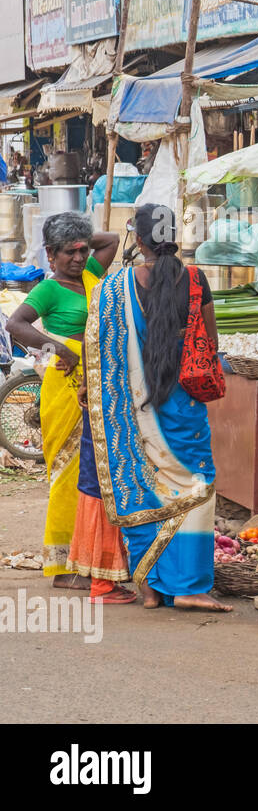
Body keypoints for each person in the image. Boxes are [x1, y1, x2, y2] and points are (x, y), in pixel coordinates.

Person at [83, 203, 229, 612]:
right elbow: (210, 345)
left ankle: (150, 586)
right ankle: (189, 587)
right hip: (182, 407)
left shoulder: (114, 286)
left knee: (144, 487)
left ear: (138, 237)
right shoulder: (196, 280)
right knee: (196, 487)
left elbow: (100, 357)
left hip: (133, 410)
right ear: (174, 237)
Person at [4, 212, 119, 588]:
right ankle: (63, 569)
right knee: (68, 476)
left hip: (95, 387)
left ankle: (87, 558)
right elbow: (15, 325)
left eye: (83, 250)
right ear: (50, 255)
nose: (78, 257)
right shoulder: (49, 289)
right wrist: (62, 350)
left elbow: (112, 239)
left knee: (93, 476)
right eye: (68, 252)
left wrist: (77, 230)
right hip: (65, 387)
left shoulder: (90, 275)